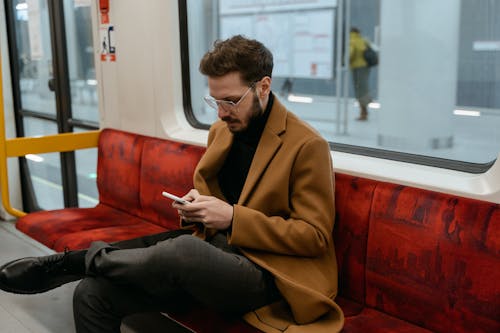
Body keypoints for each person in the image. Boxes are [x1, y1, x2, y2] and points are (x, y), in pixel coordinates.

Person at [0, 35, 344, 332]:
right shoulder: (222, 130)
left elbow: (313, 237)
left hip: (270, 273)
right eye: (215, 101)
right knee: (91, 294)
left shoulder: (306, 146)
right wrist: (198, 207)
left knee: (183, 250)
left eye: (231, 101)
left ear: (264, 87)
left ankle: (71, 263)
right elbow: (216, 199)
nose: (221, 112)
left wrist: (233, 218)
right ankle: (82, 266)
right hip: (212, 254)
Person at [349, 27, 372, 121]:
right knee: (364, 88)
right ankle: (365, 109)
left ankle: (363, 112)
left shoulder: (352, 41)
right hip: (365, 67)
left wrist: (343, 62)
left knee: (359, 90)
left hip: (357, 68)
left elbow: (350, 54)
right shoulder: (363, 40)